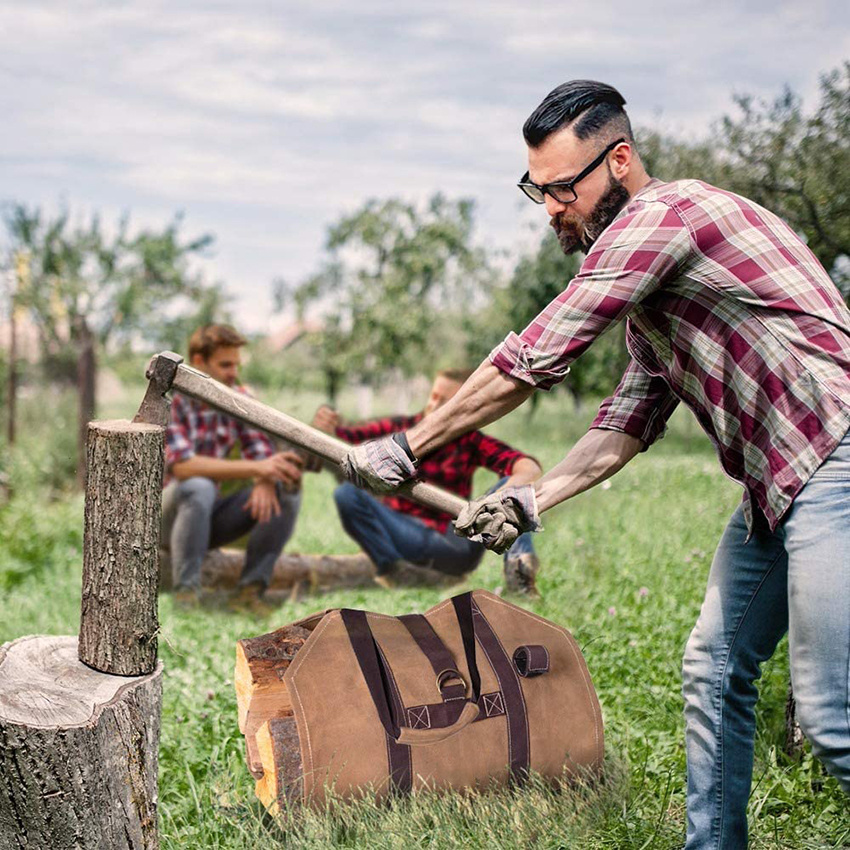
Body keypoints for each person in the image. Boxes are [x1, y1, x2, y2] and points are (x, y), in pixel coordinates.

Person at [339, 81, 850, 848]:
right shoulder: (654, 286)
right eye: (535, 190)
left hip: (836, 459)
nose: (549, 208)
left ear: (618, 160)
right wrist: (532, 501)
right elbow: (630, 419)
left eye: (561, 189)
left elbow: (535, 355)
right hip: (777, 485)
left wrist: (413, 445)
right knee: (714, 670)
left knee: (832, 715)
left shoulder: (660, 219)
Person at [313, 368, 543, 594]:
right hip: (405, 534)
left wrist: (502, 496)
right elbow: (344, 444)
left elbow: (528, 467)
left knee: (516, 494)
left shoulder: (470, 440)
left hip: (454, 541)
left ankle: (519, 570)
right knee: (347, 494)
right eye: (434, 396)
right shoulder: (400, 429)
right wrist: (328, 428)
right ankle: (394, 570)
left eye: (446, 402)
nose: (434, 405)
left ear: (462, 408)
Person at [162, 324, 306, 614]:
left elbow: (265, 456)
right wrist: (258, 468)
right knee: (199, 486)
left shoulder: (238, 398)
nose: (233, 373)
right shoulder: (173, 401)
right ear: (199, 362)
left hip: (209, 514)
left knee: (287, 489)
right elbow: (184, 468)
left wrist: (267, 479)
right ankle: (186, 594)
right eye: (225, 365)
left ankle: (250, 591)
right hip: (166, 516)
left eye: (236, 365)